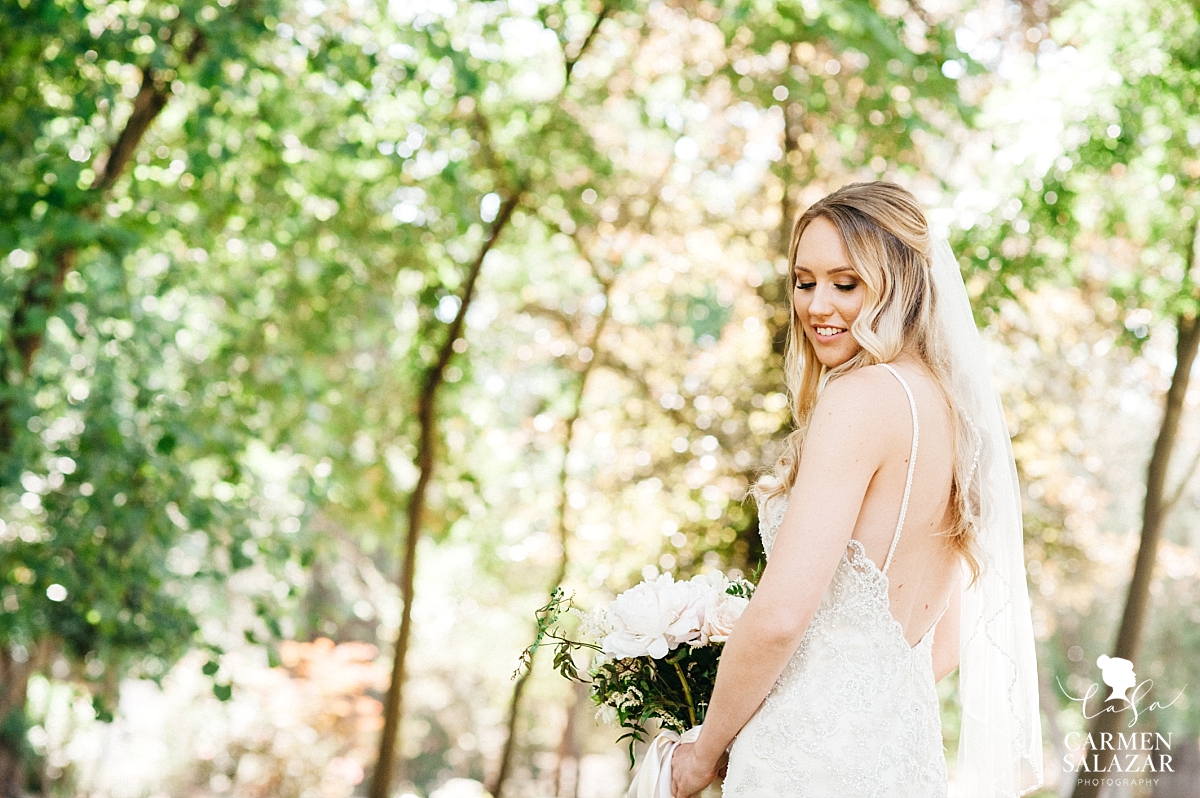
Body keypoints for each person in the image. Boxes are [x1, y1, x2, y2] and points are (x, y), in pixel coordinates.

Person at [667, 182, 1043, 797]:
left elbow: (781, 616)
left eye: (846, 283)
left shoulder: (862, 399)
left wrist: (705, 750)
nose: (818, 305)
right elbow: (940, 644)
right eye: (803, 280)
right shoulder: (955, 418)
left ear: (900, 285)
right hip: (902, 762)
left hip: (804, 768)